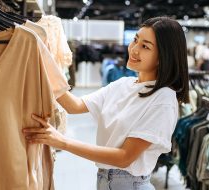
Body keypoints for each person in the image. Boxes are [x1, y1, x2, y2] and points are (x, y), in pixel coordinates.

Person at [23, 16, 189, 189]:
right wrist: (44, 62)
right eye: (135, 40)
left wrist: (62, 142)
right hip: (105, 180)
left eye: (145, 46)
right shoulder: (122, 84)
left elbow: (124, 157)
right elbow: (74, 106)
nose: (134, 49)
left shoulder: (163, 99)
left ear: (163, 56)